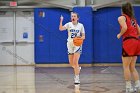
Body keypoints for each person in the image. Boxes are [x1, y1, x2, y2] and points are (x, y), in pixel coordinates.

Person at [117, 2, 140, 93]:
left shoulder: (122, 17)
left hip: (129, 42)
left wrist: (120, 34)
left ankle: (128, 88)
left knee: (126, 66)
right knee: (132, 67)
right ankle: (138, 86)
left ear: (122, 9)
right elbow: (139, 31)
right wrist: (134, 36)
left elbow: (125, 28)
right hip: (136, 42)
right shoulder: (133, 20)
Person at [59, 12, 85, 84]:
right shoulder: (68, 24)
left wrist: (79, 38)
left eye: (74, 16)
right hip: (70, 44)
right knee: (71, 63)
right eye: (72, 16)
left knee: (75, 61)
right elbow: (60, 29)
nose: (73, 17)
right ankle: (77, 69)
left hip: (77, 44)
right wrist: (61, 20)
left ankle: (77, 78)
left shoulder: (81, 26)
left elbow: (83, 36)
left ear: (77, 18)